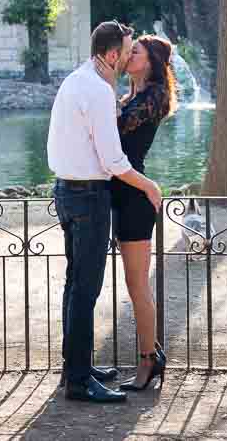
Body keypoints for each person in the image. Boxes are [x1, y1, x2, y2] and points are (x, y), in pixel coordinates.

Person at [47, 21, 163, 404]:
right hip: (90, 196)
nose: (130, 56)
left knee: (75, 285)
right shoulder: (99, 90)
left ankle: (76, 368)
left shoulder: (76, 80)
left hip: (67, 190)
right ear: (113, 55)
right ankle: (79, 378)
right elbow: (113, 159)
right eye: (128, 51)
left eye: (137, 53)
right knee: (84, 290)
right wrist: (149, 186)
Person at [111, 35, 177, 391]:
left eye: (133, 52)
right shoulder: (130, 97)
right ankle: (152, 355)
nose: (126, 55)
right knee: (133, 283)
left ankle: (148, 361)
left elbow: (112, 134)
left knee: (137, 285)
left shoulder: (152, 98)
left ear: (150, 61)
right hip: (122, 194)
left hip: (135, 196)